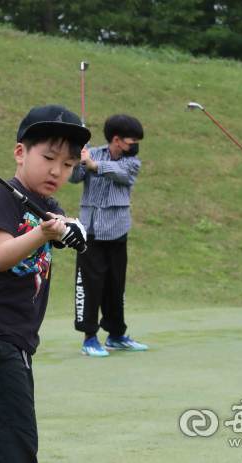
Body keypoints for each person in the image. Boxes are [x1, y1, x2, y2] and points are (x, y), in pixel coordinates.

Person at [0, 104, 89, 462]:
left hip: (14, 340)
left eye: (68, 165)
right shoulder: (2, 199)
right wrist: (42, 233)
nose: (56, 170)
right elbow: (0, 256)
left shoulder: (48, 206)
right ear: (19, 153)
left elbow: (71, 230)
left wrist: (72, 232)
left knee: (10, 443)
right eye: (48, 157)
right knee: (19, 443)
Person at [68, 114, 148, 357]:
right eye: (132, 140)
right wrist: (77, 158)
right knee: (90, 286)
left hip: (117, 230)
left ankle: (115, 335)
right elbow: (73, 178)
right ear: (117, 139)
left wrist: (93, 165)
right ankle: (89, 338)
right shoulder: (92, 153)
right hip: (90, 231)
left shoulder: (132, 162)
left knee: (116, 286)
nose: (135, 145)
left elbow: (122, 174)